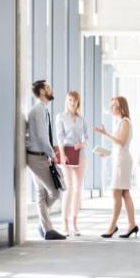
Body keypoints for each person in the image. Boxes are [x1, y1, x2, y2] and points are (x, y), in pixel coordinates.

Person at [94, 96, 139, 239]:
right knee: (124, 193)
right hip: (120, 159)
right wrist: (107, 154)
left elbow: (121, 141)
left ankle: (112, 227)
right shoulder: (120, 122)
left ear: (121, 107)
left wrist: (105, 133)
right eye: (111, 105)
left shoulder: (125, 122)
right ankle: (131, 225)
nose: (111, 108)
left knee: (116, 193)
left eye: (114, 105)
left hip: (122, 161)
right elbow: (119, 146)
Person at [26, 80, 66, 241]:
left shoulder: (40, 109)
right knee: (55, 192)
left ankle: (46, 227)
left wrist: (50, 149)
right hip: (37, 157)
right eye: (49, 87)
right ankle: (44, 226)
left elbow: (41, 136)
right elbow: (42, 137)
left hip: (36, 155)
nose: (52, 89)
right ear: (42, 91)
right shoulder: (39, 110)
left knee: (42, 194)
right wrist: (53, 155)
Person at [56, 91, 89, 236]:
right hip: (67, 155)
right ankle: (65, 223)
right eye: (70, 100)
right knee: (69, 188)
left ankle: (75, 223)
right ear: (66, 101)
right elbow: (59, 136)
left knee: (77, 190)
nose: (72, 103)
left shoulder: (81, 119)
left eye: (75, 101)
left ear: (78, 102)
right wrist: (62, 154)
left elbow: (86, 137)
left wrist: (82, 144)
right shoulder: (61, 117)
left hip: (80, 155)